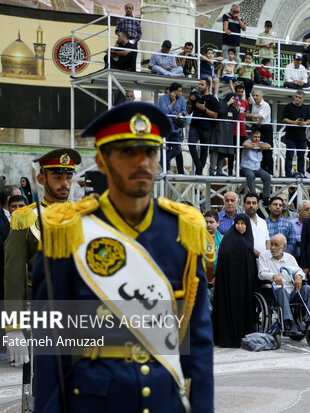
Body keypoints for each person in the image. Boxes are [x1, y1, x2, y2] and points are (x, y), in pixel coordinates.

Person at [31, 102, 214, 412]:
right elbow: (51, 344)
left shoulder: (183, 230)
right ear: (102, 161)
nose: (142, 162)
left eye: (150, 152)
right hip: (94, 400)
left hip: (163, 399)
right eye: (128, 152)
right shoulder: (69, 231)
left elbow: (197, 341)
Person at [4, 148, 82, 376]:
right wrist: (14, 326)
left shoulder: (83, 215)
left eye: (68, 177)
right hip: (42, 310)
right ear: (41, 178)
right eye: (57, 177)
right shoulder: (25, 217)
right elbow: (14, 275)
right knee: (44, 380)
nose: (64, 183)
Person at [258, 234, 310, 334]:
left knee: (308, 289)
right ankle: (289, 323)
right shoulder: (264, 256)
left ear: (284, 247)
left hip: (291, 292)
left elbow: (299, 271)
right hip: (274, 293)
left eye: (276, 245)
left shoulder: (290, 258)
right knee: (282, 290)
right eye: (272, 244)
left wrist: (299, 276)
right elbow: (261, 274)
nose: (273, 248)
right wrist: (273, 276)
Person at [0, 185, 22, 362]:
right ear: (8, 200)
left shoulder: (26, 220)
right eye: (16, 200)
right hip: (2, 277)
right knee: (1, 313)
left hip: (20, 278)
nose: (18, 205)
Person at [213, 213, 256, 348]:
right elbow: (224, 259)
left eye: (243, 224)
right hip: (230, 283)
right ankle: (229, 338)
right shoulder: (229, 239)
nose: (240, 226)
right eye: (238, 223)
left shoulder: (248, 239)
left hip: (245, 284)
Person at [187, 78, 221, 175]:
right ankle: (199, 166)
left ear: (208, 87)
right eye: (199, 84)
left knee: (204, 150)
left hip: (207, 128)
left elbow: (215, 115)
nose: (199, 86)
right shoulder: (196, 97)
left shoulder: (213, 100)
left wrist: (204, 109)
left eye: (202, 85)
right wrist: (190, 102)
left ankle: (199, 170)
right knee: (191, 144)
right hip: (194, 126)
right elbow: (189, 111)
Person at [158, 82, 187, 175]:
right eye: (179, 91)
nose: (181, 93)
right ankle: (165, 168)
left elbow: (184, 110)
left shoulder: (182, 99)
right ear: (173, 92)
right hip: (166, 127)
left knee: (177, 148)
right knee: (164, 148)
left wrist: (182, 114)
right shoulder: (163, 98)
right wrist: (173, 102)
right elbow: (164, 111)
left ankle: (162, 162)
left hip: (176, 128)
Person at [282, 90, 310, 177]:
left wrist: (304, 123)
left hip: (302, 137)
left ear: (303, 99)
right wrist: (294, 122)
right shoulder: (288, 106)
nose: (297, 99)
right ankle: (288, 174)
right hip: (290, 136)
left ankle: (302, 173)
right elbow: (283, 119)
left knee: (301, 157)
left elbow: (309, 119)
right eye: (296, 97)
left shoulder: (305, 108)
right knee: (289, 156)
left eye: (300, 98)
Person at [240, 128, 272, 202]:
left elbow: (268, 146)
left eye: (258, 137)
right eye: (255, 137)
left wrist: (258, 145)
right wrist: (255, 145)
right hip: (246, 167)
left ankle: (266, 197)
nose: (257, 138)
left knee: (267, 177)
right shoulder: (248, 141)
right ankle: (253, 195)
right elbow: (245, 144)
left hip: (257, 168)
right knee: (251, 176)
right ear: (251, 137)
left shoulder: (261, 143)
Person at [246, 90, 273, 174]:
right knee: (256, 149)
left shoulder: (266, 105)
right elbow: (254, 117)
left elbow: (259, 115)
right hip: (258, 127)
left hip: (266, 128)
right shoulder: (254, 104)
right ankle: (258, 168)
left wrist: (249, 115)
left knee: (267, 150)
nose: (255, 97)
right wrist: (256, 121)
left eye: (257, 96)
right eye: (254, 95)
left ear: (261, 96)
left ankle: (270, 171)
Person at [204, 209, 222, 308]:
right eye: (206, 222)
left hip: (218, 280)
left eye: (211, 222)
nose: (208, 225)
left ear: (218, 223)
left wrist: (218, 276)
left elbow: (225, 262)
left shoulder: (223, 240)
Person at [291, 200, 310, 266]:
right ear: (299, 211)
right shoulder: (291, 224)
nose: (309, 212)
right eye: (307, 210)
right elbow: (290, 239)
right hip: (295, 259)